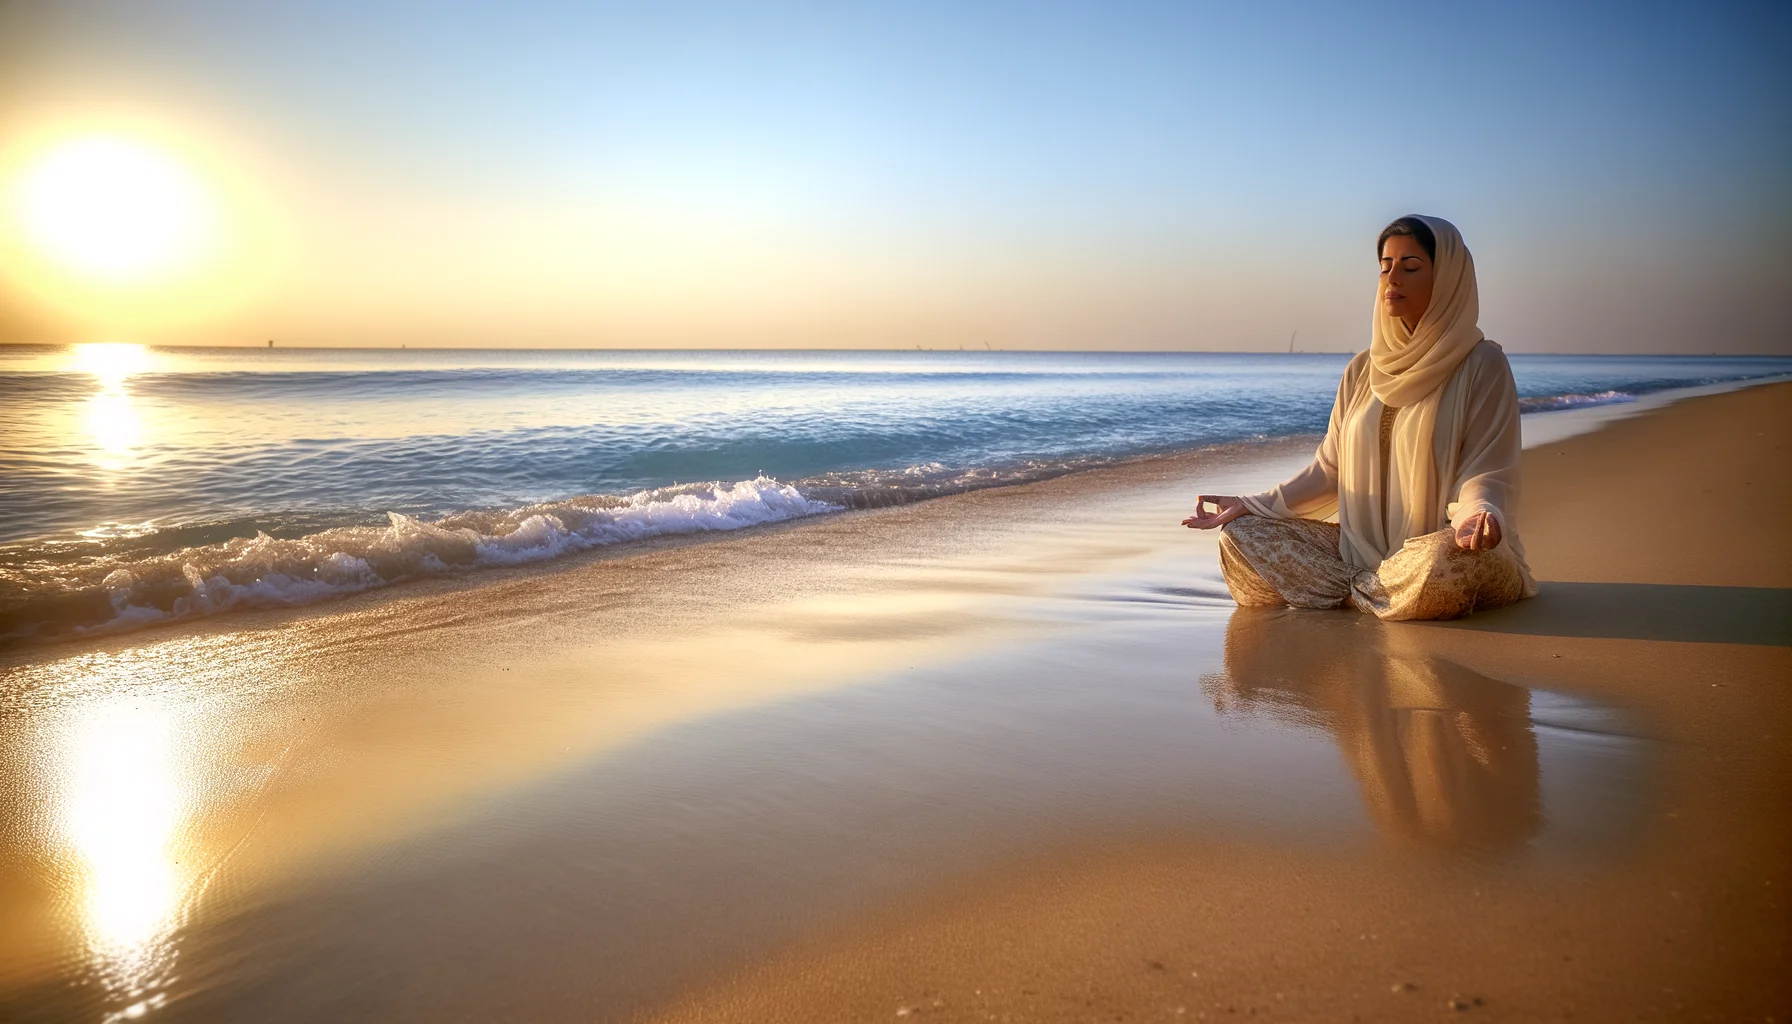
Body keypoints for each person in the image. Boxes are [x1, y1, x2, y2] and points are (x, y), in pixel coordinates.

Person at [1181, 215, 1537, 621]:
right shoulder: (1362, 370)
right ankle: (1374, 591)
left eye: (1411, 266)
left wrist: (1478, 513)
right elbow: (1330, 470)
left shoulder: (1482, 363)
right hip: (1363, 556)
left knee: (1443, 560)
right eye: (1385, 266)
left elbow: (1486, 469)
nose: (1393, 278)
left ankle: (1355, 592)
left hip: (1448, 547)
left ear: (1448, 278)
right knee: (1241, 536)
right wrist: (1249, 504)